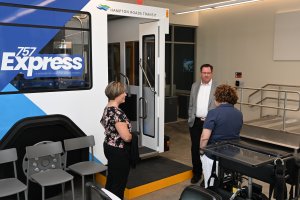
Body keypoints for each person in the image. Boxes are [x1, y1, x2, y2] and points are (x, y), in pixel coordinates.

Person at [200, 84, 243, 188]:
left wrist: (201, 151)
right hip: (232, 156)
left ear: (218, 98)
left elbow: (204, 137)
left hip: (214, 157)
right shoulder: (239, 113)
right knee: (227, 185)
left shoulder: (213, 113)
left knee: (211, 185)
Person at [100, 81, 132, 199]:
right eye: (123, 92)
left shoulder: (107, 109)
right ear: (117, 94)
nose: (125, 94)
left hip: (108, 146)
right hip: (118, 151)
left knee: (112, 179)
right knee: (119, 184)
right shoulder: (118, 113)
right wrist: (132, 135)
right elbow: (126, 137)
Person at [188, 64, 218, 184]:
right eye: (204, 72)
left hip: (210, 123)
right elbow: (191, 104)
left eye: (208, 73)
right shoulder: (194, 86)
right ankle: (197, 173)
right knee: (195, 148)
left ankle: (208, 175)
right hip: (195, 122)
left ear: (212, 73)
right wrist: (190, 117)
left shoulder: (217, 87)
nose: (206, 75)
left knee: (209, 149)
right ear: (201, 73)